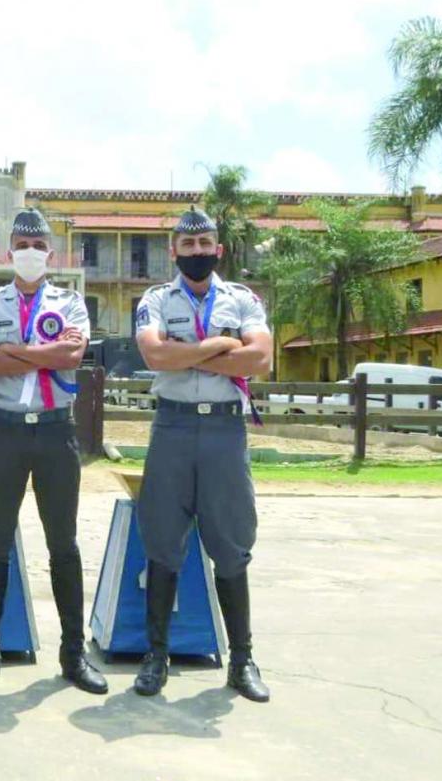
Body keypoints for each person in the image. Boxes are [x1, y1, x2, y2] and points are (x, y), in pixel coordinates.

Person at [0, 208, 107, 693]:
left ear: (50, 252)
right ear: (8, 252)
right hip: (5, 432)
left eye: (37, 244)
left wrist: (12, 351)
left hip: (56, 432)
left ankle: (73, 654)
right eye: (21, 244)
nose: (29, 252)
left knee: (63, 544)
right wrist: (39, 352)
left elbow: (72, 356)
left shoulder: (71, 302)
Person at [132, 205, 273, 702]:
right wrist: (218, 345)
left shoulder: (243, 299)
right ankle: (156, 658)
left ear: (219, 248)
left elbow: (261, 357)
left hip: (224, 432)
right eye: (187, 246)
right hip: (171, 427)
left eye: (204, 244)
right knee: (163, 543)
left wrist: (185, 349)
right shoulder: (154, 299)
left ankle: (242, 660)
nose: (197, 252)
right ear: (174, 251)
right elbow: (154, 355)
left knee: (232, 544)